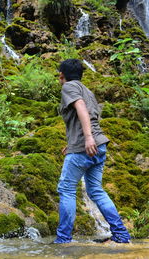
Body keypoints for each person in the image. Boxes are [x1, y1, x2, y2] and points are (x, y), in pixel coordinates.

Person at [53, 59, 130, 244]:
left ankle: (63, 239)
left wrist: (87, 138)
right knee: (96, 190)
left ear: (62, 75)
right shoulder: (87, 91)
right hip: (98, 145)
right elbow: (90, 118)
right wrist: (72, 143)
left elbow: (81, 110)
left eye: (58, 74)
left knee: (66, 189)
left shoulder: (68, 87)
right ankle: (121, 234)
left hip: (86, 145)